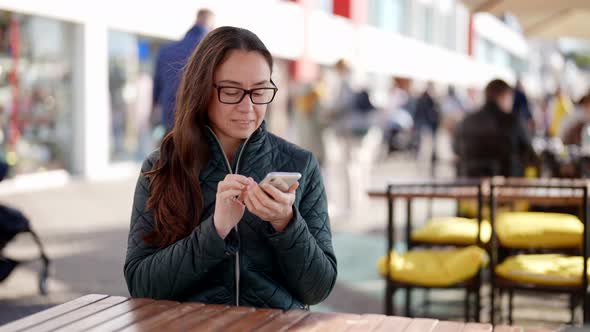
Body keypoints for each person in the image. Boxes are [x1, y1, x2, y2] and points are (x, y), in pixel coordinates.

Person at [124, 26, 337, 310]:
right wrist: (215, 230)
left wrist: (286, 223)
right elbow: (141, 284)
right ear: (202, 88)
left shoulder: (301, 165)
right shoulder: (162, 166)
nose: (248, 106)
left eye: (259, 91)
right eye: (232, 91)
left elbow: (318, 289)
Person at [454, 79, 535, 177]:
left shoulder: (466, 121)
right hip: (508, 187)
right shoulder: (514, 121)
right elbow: (529, 153)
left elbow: (456, 149)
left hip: (470, 185)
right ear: (504, 96)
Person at [152, 9, 215, 129]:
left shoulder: (165, 51)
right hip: (199, 123)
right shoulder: (210, 51)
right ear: (212, 26)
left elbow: (156, 87)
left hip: (170, 119)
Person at [414, 82, 440, 162]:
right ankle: (420, 155)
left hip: (431, 122)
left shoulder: (433, 97)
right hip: (425, 121)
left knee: (431, 141)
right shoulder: (424, 97)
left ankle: (432, 155)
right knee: (422, 140)